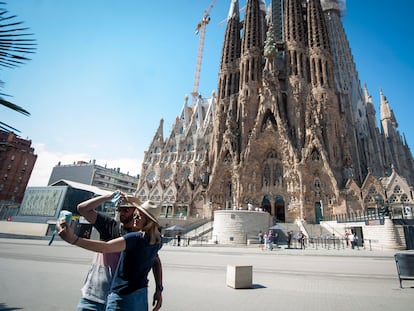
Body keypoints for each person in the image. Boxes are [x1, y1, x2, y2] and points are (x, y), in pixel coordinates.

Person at [59, 198, 163, 311]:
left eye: (127, 210)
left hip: (123, 296)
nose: (122, 213)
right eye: (119, 209)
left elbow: (106, 247)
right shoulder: (154, 240)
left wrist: (74, 239)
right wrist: (109, 196)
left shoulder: (136, 238)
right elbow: (82, 208)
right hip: (98, 295)